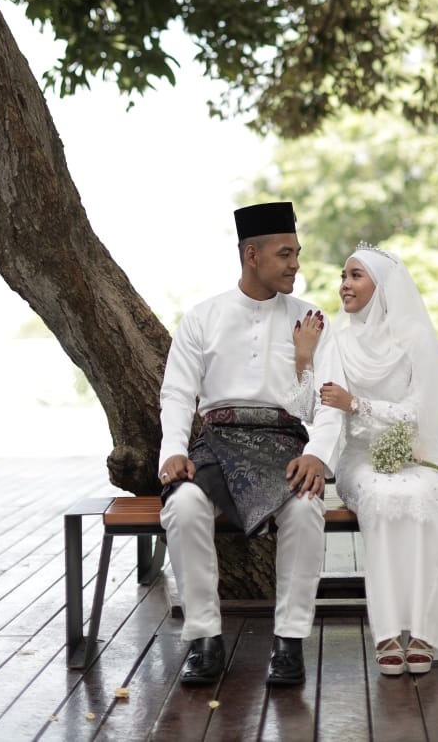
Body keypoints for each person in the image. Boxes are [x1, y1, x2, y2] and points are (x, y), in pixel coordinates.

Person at [158, 201, 346, 687]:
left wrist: (317, 455)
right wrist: (173, 449)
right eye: (285, 254)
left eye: (297, 253)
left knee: (305, 508)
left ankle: (289, 641)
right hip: (217, 444)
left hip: (285, 443)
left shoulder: (311, 318)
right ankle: (204, 639)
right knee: (183, 506)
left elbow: (330, 400)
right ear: (251, 255)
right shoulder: (202, 317)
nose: (295, 264)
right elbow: (177, 392)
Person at [310, 243, 438, 676]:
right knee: (382, 499)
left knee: (420, 500)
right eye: (343, 276)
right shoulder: (337, 339)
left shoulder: (414, 338)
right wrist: (308, 361)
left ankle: (426, 631)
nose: (345, 285)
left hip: (415, 456)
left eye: (355, 275)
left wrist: (358, 404)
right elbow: (321, 405)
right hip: (361, 461)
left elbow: (421, 411)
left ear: (382, 284)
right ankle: (389, 632)